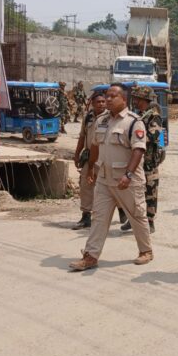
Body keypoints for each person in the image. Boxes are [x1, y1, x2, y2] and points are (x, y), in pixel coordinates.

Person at [69, 84, 153, 271]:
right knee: (99, 217)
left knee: (137, 216)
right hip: (104, 180)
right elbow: (95, 146)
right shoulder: (101, 120)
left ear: (124, 99)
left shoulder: (134, 122)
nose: (107, 99)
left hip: (127, 181)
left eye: (112, 96)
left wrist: (129, 175)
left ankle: (146, 251)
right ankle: (90, 256)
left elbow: (138, 150)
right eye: (106, 96)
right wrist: (90, 168)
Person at [122, 86, 161, 233]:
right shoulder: (139, 116)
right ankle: (133, 220)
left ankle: (149, 221)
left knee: (150, 192)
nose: (136, 101)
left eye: (138, 99)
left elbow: (153, 136)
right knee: (135, 192)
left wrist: (136, 138)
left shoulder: (153, 116)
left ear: (145, 100)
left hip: (149, 162)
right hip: (138, 161)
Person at [72, 92, 106, 229]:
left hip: (105, 157)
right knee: (86, 185)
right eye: (98, 102)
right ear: (92, 103)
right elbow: (82, 137)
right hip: (89, 157)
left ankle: (123, 212)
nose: (102, 104)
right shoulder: (88, 117)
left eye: (103, 102)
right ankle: (86, 216)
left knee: (111, 186)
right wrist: (76, 154)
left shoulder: (110, 118)